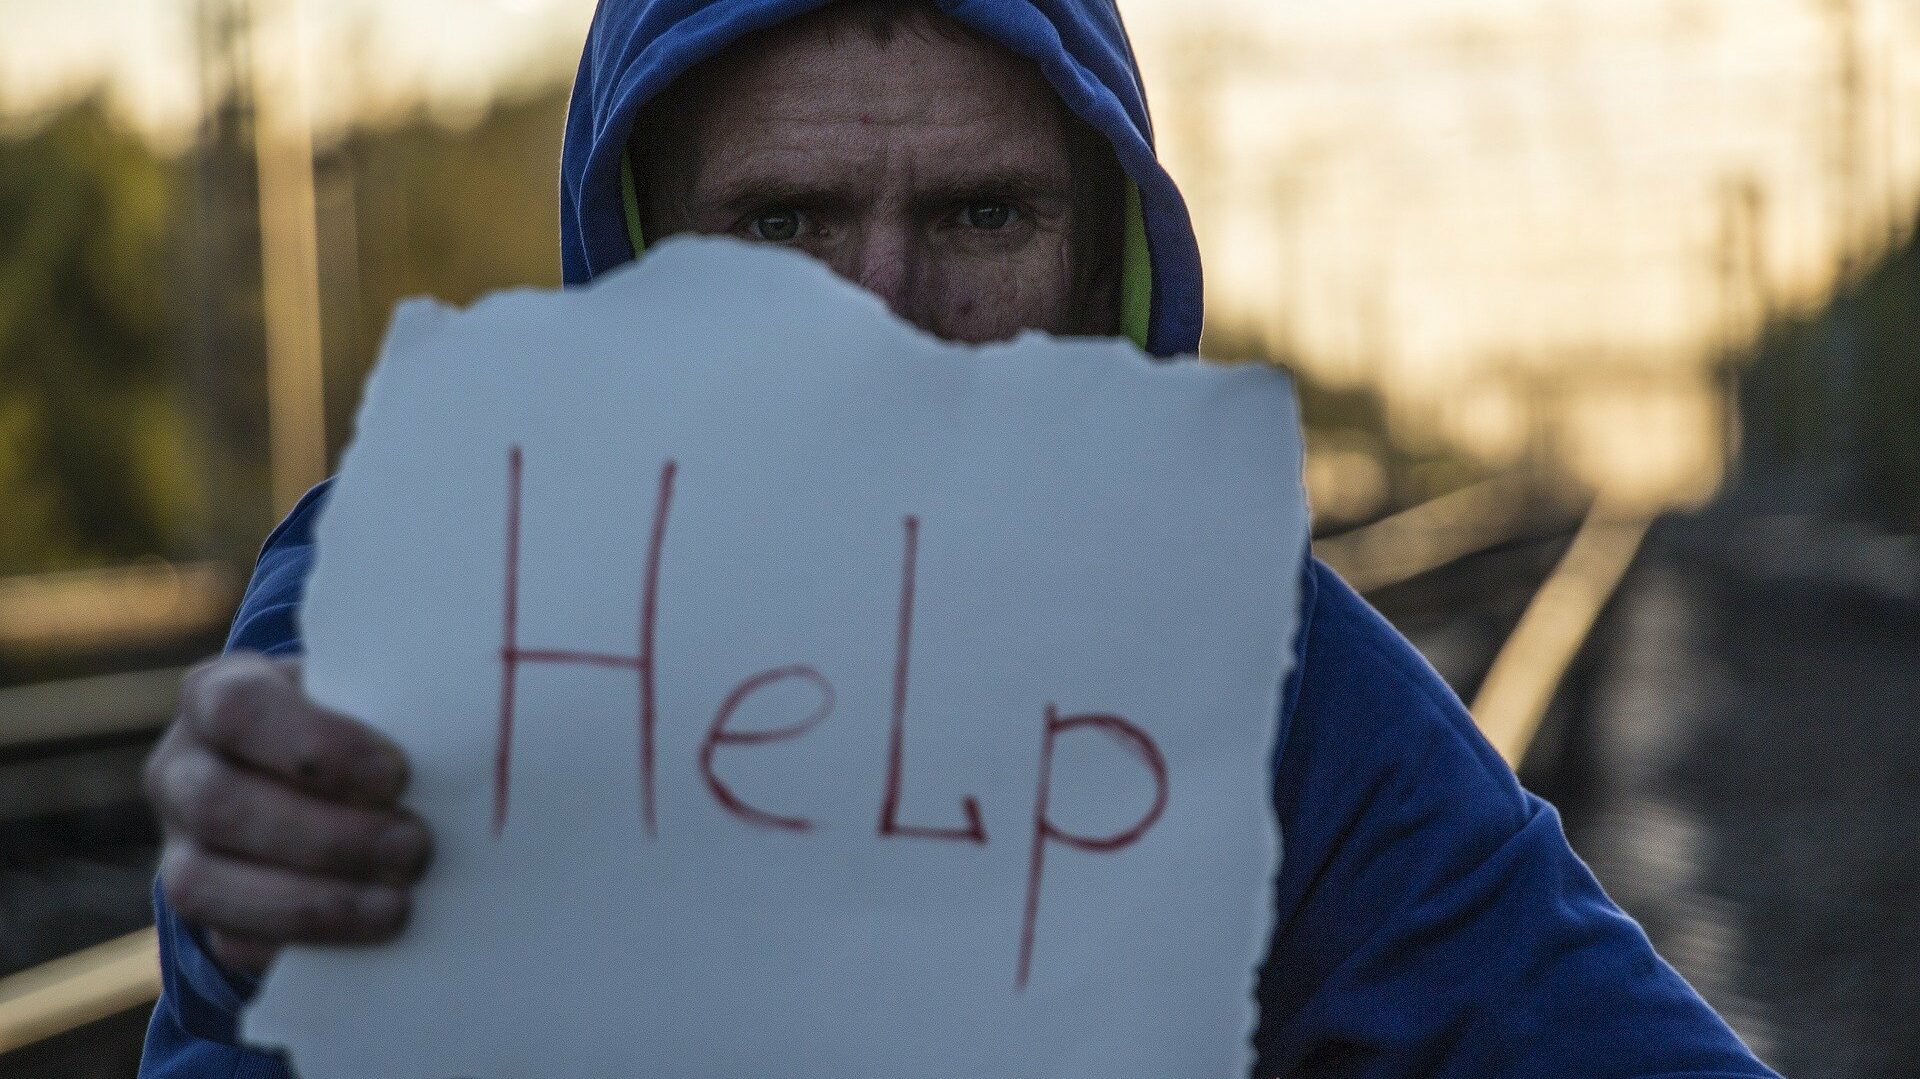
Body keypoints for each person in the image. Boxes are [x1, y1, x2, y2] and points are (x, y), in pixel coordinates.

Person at [137, 1, 1780, 1076]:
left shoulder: (1258, 675)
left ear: (1096, 265)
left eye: (980, 215)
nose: (883, 316)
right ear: (641, 260)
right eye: (784, 223)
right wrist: (240, 931)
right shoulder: (433, 589)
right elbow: (260, 955)